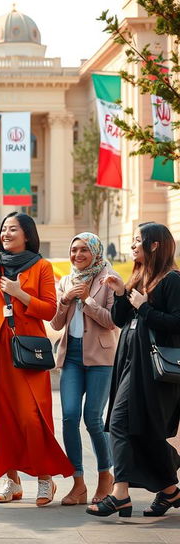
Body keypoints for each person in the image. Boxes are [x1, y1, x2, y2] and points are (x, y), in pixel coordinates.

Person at [0, 188, 73, 506]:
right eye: (4, 229)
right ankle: (11, 481)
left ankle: (45, 480)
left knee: (33, 417)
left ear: (27, 235)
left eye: (13, 229)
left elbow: (50, 310)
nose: (7, 233)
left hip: (28, 351)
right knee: (1, 417)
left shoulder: (41, 267)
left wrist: (21, 295)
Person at [87, 222, 180, 519]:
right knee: (141, 430)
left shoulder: (172, 280)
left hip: (155, 371)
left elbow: (176, 323)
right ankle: (169, 491)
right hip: (130, 363)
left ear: (155, 245)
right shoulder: (140, 277)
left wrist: (144, 307)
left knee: (120, 423)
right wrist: (120, 292)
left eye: (138, 241)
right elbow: (118, 319)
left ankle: (120, 494)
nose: (132, 246)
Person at [50, 233, 118, 506]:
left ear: (95, 252)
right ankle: (78, 483)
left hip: (102, 357)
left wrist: (87, 301)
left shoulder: (108, 279)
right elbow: (55, 325)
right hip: (71, 357)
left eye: (84, 250)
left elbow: (113, 321)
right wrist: (65, 299)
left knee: (93, 418)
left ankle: (105, 476)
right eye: (74, 249)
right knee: (68, 417)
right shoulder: (66, 280)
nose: (77, 255)